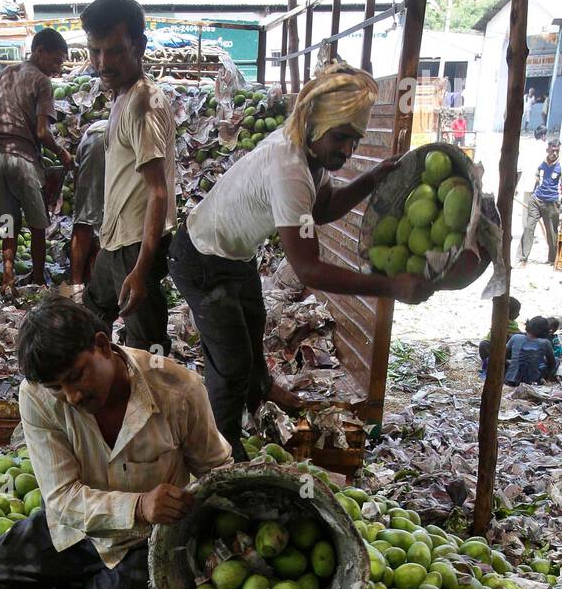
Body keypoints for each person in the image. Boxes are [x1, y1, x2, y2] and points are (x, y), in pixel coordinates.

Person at [167, 61, 432, 459]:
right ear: (315, 121)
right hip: (200, 258)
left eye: (355, 141)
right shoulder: (289, 167)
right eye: (342, 137)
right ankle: (220, 455)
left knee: (252, 331)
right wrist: (392, 288)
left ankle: (261, 398)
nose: (347, 149)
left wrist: (371, 178)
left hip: (233, 256)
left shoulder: (309, 154)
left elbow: (322, 209)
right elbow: (309, 269)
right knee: (231, 363)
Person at [0, 297, 232, 589]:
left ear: (102, 346)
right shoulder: (37, 398)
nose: (72, 396)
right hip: (79, 529)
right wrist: (138, 505)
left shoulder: (177, 388)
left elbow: (217, 472)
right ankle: (90, 584)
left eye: (76, 376)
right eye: (58, 388)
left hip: (149, 544)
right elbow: (63, 498)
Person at [81, 0, 177, 355]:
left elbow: (157, 192)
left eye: (115, 51)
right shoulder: (124, 94)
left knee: (148, 345)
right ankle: (105, 390)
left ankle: (152, 406)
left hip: (136, 246)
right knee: (93, 314)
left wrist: (141, 270)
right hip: (116, 241)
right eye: (96, 51)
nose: (103, 62)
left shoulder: (142, 103)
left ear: (139, 47)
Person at [0, 28, 73, 290]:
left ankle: (7, 275)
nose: (58, 68)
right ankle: (37, 280)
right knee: (38, 222)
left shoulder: (4, 74)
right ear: (39, 51)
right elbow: (41, 132)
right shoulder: (41, 81)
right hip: (21, 158)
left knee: (8, 220)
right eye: (57, 60)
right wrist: (62, 153)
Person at [69, 119, 107, 289]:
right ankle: (93, 285)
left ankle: (77, 284)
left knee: (85, 219)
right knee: (97, 223)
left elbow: (79, 189)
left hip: (103, 138)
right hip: (116, 139)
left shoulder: (90, 138)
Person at [519, 137, 560, 266]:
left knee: (551, 233)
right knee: (529, 227)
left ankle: (552, 259)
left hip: (552, 203)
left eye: (557, 151)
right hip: (536, 200)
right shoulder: (541, 165)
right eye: (553, 151)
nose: (555, 153)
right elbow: (537, 180)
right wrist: (533, 195)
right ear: (547, 150)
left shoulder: (560, 166)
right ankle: (523, 258)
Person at [504, 316, 558, 386]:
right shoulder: (545, 343)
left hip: (509, 380)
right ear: (545, 331)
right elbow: (552, 364)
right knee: (556, 361)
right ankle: (544, 380)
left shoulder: (515, 337)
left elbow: (503, 356)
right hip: (531, 383)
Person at [478, 296, 522, 376]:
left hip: (505, 352)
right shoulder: (502, 323)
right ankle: (501, 363)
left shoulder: (511, 323)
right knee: (484, 345)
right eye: (517, 311)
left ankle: (502, 363)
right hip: (500, 351)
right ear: (509, 312)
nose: (519, 314)